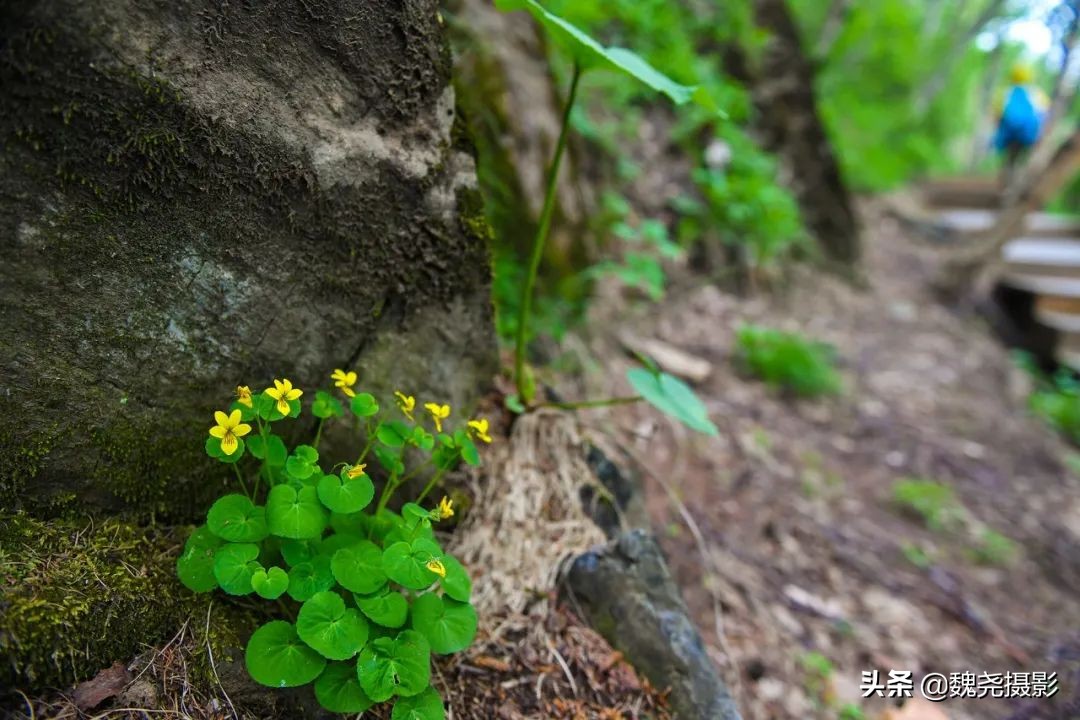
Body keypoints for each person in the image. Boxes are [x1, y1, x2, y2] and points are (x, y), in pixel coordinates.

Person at [993, 63, 1050, 187]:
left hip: (1010, 134)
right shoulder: (1037, 93)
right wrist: (1040, 135)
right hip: (1028, 134)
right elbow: (1043, 115)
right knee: (1024, 160)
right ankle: (1018, 187)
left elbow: (998, 115)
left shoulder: (1006, 93)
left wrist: (999, 132)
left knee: (1010, 159)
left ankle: (1006, 185)